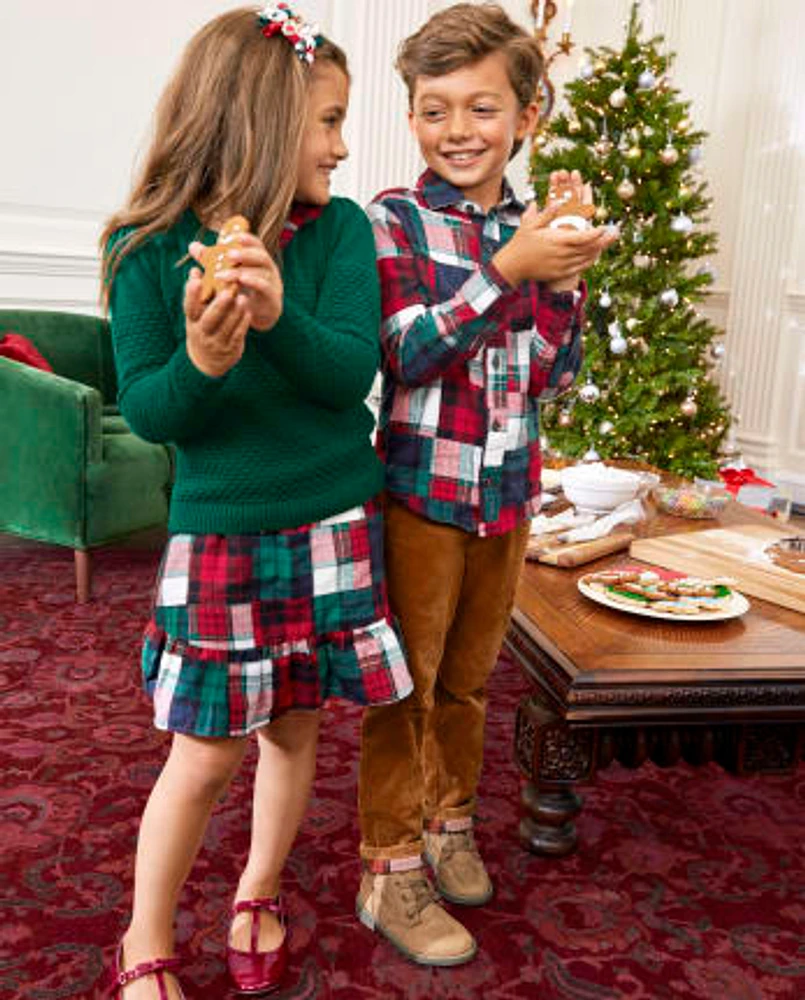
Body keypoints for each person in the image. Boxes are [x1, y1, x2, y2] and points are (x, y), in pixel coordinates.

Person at [99, 5, 412, 997]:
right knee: (204, 750)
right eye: (325, 120)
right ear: (260, 125)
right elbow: (154, 411)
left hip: (334, 523)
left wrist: (276, 320)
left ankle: (258, 884)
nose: (341, 142)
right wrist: (202, 357)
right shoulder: (144, 251)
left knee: (295, 728)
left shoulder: (342, 231)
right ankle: (144, 936)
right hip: (223, 536)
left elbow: (348, 374)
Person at [355, 2, 617, 967]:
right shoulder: (392, 218)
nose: (457, 130)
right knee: (406, 687)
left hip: (505, 493)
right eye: (433, 109)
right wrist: (507, 269)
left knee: (467, 685)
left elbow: (552, 376)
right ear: (413, 115)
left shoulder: (535, 226)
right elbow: (405, 350)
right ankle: (388, 865)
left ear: (526, 115)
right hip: (420, 495)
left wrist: (558, 284)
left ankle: (447, 822)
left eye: (480, 108)